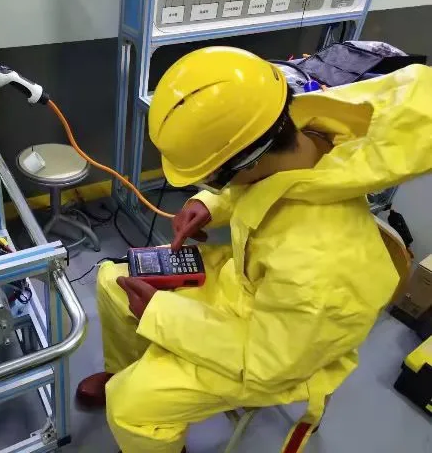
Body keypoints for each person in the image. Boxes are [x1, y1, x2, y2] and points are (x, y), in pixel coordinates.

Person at [76, 47, 432, 453]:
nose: (210, 185)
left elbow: (269, 363)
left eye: (209, 180)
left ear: (238, 166)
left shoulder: (319, 262)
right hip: (252, 289)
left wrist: (160, 314)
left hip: (272, 355)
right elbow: (268, 188)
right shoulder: (308, 140)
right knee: (113, 282)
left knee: (130, 405)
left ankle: (143, 413)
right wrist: (210, 205)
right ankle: (123, 368)